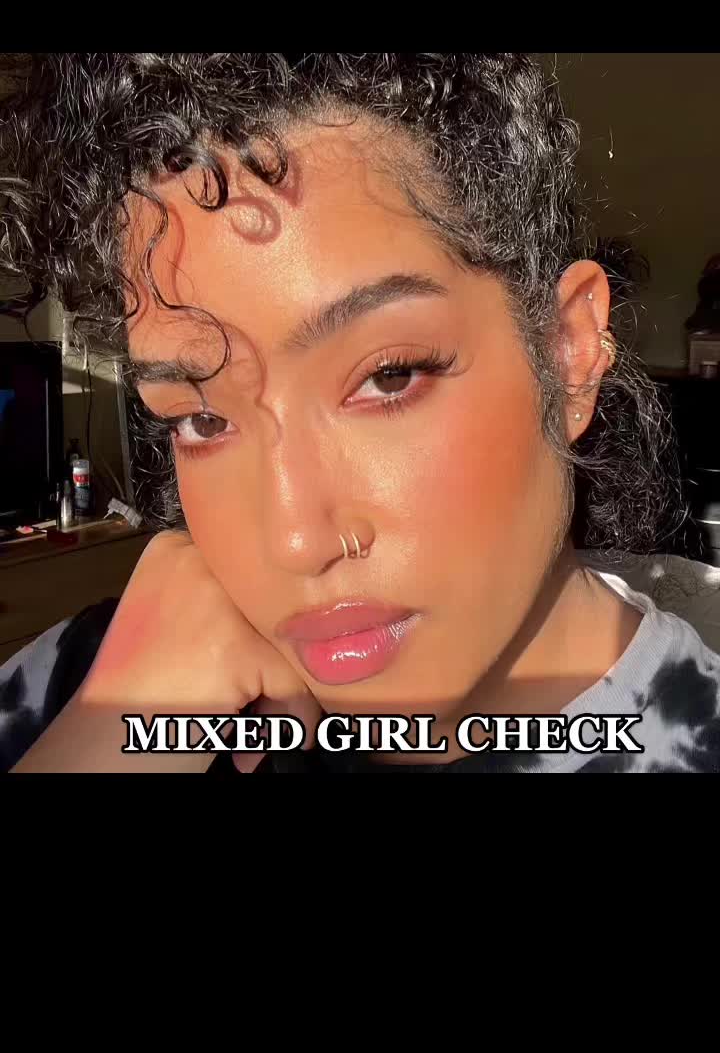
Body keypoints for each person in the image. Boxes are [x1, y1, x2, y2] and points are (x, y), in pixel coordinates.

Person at [1, 52, 719, 775]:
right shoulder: (79, 693)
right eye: (203, 420)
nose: (293, 541)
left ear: (567, 353)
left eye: (388, 376)